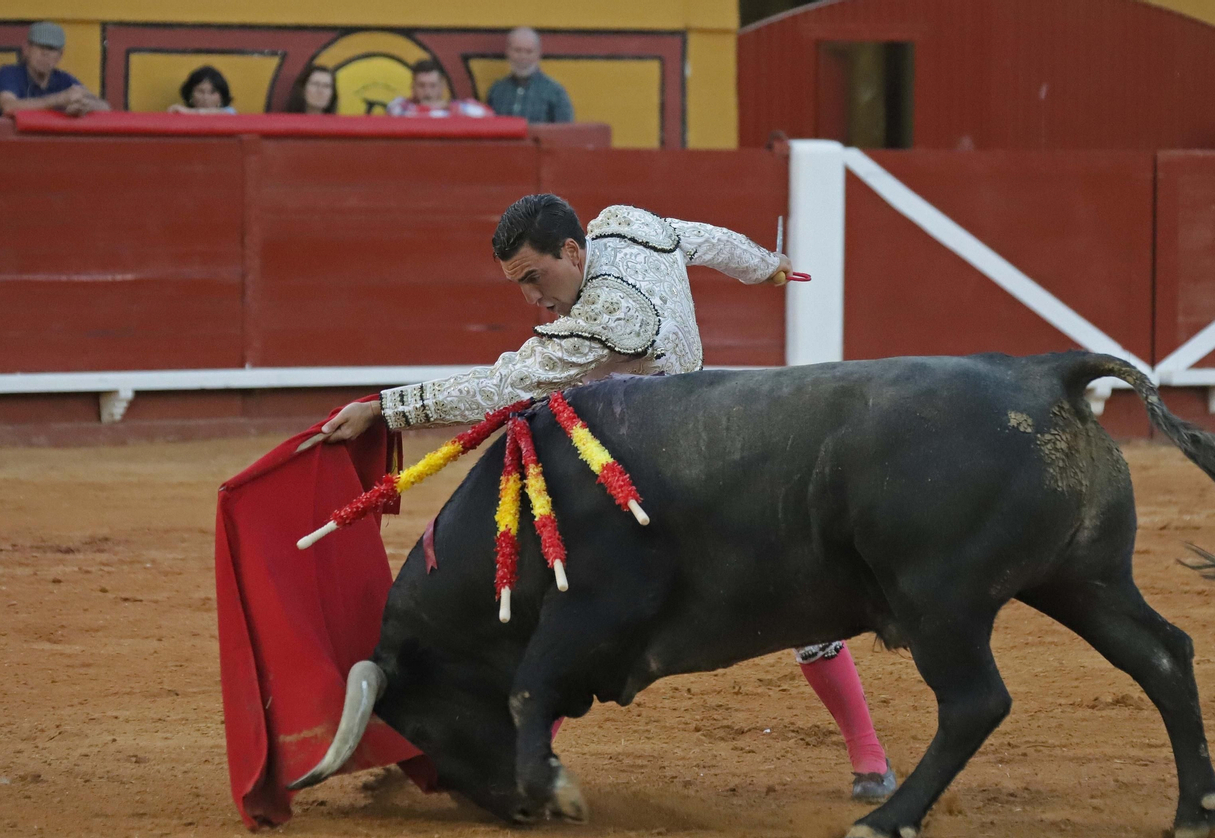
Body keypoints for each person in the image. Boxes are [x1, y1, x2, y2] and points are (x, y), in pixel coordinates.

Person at [320, 194, 899, 801]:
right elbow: (703, 237)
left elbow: (503, 383)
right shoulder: (629, 225)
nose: (532, 299)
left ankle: (867, 753)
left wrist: (385, 408)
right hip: (696, 442)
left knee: (585, 595)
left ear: (573, 252)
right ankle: (868, 761)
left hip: (669, 473)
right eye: (519, 284)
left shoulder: (611, 315)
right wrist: (766, 266)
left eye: (535, 277)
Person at [0, 21, 109, 117]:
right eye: (40, 47)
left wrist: (84, 106)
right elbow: (8, 107)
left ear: (60, 55)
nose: (45, 53)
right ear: (27, 49)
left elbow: (105, 107)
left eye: (51, 49)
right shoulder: (10, 73)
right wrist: (59, 100)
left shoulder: (64, 79)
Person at [484, 27, 574, 124]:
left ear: (538, 54)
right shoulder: (497, 91)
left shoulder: (555, 93)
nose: (523, 57)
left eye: (529, 51)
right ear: (508, 52)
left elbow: (565, 131)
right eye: (517, 50)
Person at [387, 60, 492, 118]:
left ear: (442, 86)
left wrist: (448, 107)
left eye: (432, 85)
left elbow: (487, 113)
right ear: (412, 86)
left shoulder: (455, 106)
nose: (427, 91)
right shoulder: (401, 105)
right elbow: (397, 112)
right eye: (421, 85)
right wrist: (438, 109)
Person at [169, 65, 237, 114]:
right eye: (200, 91)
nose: (205, 97)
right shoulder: (181, 114)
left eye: (212, 92)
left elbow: (226, 114)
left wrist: (188, 112)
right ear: (190, 95)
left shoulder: (229, 112)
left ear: (222, 97)